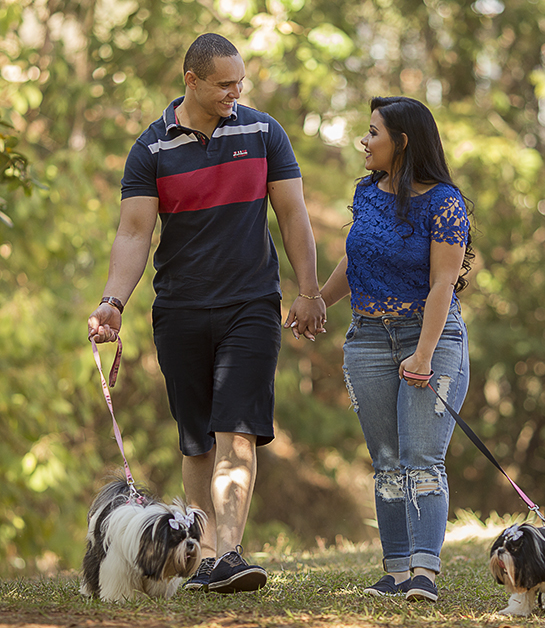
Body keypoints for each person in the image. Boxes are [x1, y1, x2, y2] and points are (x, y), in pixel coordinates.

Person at [87, 33, 326, 594]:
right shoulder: (151, 149)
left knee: (236, 429)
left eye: (239, 81)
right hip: (180, 308)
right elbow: (133, 232)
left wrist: (309, 289)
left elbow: (293, 216)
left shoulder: (264, 132)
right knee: (195, 438)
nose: (235, 92)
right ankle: (205, 554)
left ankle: (230, 553)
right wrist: (112, 302)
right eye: (224, 83)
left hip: (251, 303)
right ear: (190, 80)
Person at [319, 96, 472, 603]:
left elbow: (443, 283)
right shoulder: (367, 194)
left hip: (428, 336)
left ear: (402, 142)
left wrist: (424, 354)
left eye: (374, 132)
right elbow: (354, 261)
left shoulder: (444, 201)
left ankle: (425, 574)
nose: (365, 141)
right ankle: (397, 572)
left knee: (421, 459)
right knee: (386, 460)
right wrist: (318, 301)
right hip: (367, 338)